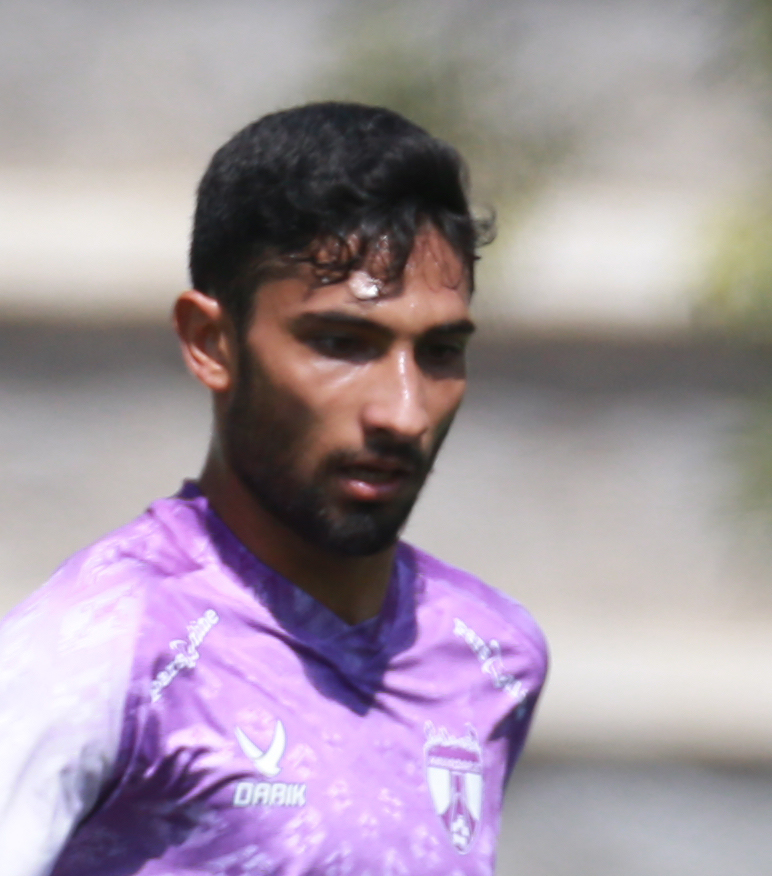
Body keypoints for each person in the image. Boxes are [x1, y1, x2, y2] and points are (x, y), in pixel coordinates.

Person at [0, 102, 547, 876]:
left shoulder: (490, 654)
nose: (404, 411)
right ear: (212, 343)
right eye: (342, 343)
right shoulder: (101, 651)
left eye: (439, 351)